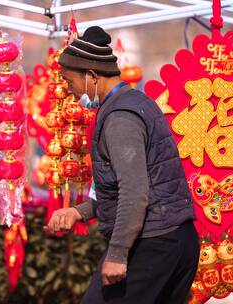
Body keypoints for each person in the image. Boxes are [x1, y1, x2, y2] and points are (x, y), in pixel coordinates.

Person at [46, 26, 199, 304]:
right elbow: (126, 185)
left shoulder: (120, 119)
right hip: (175, 239)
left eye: (70, 82)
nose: (69, 91)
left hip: (154, 243)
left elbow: (135, 190)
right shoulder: (135, 102)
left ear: (92, 76)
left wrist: (117, 254)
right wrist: (79, 212)